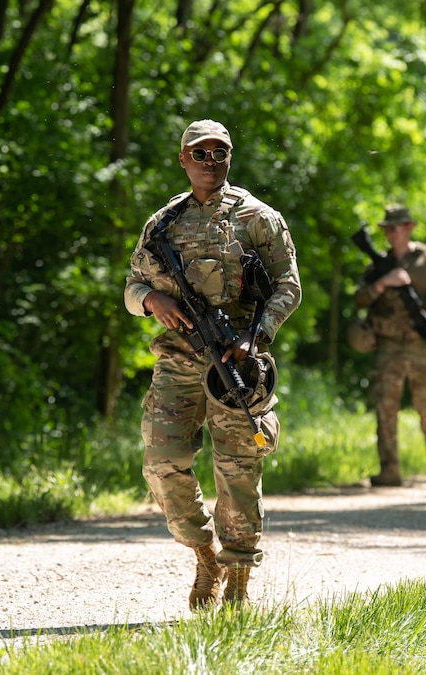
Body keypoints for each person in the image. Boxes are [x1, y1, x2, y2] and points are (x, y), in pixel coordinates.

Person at [125, 119, 301, 609]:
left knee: (238, 467)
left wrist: (256, 334)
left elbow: (290, 285)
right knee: (162, 463)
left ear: (229, 157)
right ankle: (204, 555)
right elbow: (131, 287)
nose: (209, 161)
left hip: (238, 365)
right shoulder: (163, 224)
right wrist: (151, 302)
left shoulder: (257, 217)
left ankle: (238, 578)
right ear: (183, 160)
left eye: (218, 152)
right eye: (199, 153)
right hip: (179, 360)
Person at [353, 204, 426, 487]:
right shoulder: (377, 266)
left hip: (422, 344)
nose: (391, 233)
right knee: (385, 408)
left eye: (397, 227)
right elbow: (360, 298)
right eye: (387, 228)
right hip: (388, 346)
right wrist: (384, 283)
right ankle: (390, 471)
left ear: (410, 227)